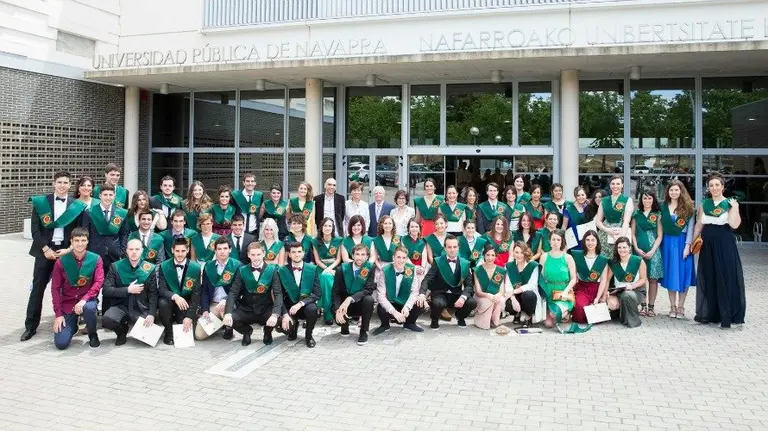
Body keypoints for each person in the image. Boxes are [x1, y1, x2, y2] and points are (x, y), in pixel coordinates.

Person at [24, 169, 82, 340]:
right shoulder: (42, 203)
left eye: (66, 182)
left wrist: (70, 249)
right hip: (44, 252)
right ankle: (30, 326)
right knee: (38, 289)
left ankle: (69, 323)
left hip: (65, 252)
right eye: (60, 182)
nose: (62, 185)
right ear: (53, 183)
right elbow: (35, 229)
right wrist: (45, 249)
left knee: (69, 290)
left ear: (70, 185)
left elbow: (79, 231)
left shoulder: (75, 205)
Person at [693, 173, 746, 328]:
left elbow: (734, 225)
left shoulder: (730, 203)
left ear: (723, 187)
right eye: (711, 185)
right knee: (709, 276)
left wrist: (735, 208)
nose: (714, 188)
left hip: (724, 244)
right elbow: (699, 224)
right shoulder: (704, 203)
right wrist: (690, 243)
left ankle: (728, 314)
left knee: (726, 276)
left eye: (717, 185)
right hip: (707, 245)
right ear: (708, 188)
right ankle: (711, 313)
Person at [50, 227, 104, 349]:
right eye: (77, 240)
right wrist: (58, 315)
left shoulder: (96, 259)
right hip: (67, 303)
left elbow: (98, 282)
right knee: (61, 344)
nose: (80, 244)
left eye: (83, 240)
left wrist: (84, 299)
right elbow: (55, 289)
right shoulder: (61, 262)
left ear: (87, 241)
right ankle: (73, 325)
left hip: (86, 301)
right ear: (71, 242)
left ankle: (92, 334)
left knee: (90, 308)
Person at [80, 183, 129, 313]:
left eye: (110, 195)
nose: (108, 197)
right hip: (95, 253)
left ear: (114, 196)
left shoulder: (121, 213)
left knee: (110, 285)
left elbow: (124, 233)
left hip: (114, 254)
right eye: (105, 195)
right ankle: (90, 314)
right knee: (93, 284)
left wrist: (122, 250)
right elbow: (85, 233)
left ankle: (107, 314)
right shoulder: (90, 212)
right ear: (100, 196)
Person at [101, 239, 159, 346]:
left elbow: (153, 294)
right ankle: (122, 331)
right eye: (131, 249)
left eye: (137, 249)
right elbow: (106, 290)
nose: (134, 252)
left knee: (146, 338)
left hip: (141, 307)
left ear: (142, 251)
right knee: (107, 319)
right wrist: (128, 290)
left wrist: (151, 314)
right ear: (126, 251)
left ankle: (140, 323)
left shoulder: (150, 268)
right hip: (121, 305)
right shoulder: (115, 267)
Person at [224, 242, 282, 346]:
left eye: (258, 254)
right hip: (247, 308)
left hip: (265, 308)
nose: (256, 258)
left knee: (278, 318)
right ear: (248, 255)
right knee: (231, 319)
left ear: (263, 254)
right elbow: (233, 292)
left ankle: (268, 332)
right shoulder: (242, 270)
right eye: (253, 255)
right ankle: (247, 332)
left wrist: (274, 314)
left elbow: (278, 293)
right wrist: (227, 312)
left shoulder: (272, 270)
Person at [416, 235, 476, 330]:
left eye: (454, 247)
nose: (452, 250)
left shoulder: (465, 263)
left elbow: (469, 285)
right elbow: (427, 279)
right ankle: (434, 319)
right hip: (440, 293)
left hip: (456, 294)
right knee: (438, 304)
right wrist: (422, 294)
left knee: (472, 302)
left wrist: (463, 298)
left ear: (458, 248)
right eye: (449, 247)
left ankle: (460, 317)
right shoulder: (438, 261)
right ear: (445, 248)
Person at [659, 179, 696, 319]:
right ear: (668, 192)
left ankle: (681, 306)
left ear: (681, 191)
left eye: (676, 189)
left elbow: (691, 229)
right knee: (671, 275)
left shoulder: (688, 208)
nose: (674, 192)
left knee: (683, 275)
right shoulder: (663, 207)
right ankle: (672, 306)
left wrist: (687, 246)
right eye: (671, 190)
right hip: (668, 244)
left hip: (682, 243)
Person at [157, 238, 201, 345]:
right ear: (172, 250)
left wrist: (189, 317)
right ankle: (168, 331)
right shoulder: (164, 266)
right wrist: (175, 297)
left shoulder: (195, 268)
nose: (180, 254)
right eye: (177, 251)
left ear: (187, 250)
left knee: (184, 326)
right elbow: (162, 289)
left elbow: (196, 295)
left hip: (186, 303)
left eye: (183, 251)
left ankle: (180, 320)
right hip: (171, 300)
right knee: (162, 303)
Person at [277, 241, 321, 347]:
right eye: (294, 252)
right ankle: (293, 326)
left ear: (303, 253)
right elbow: (279, 295)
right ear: (289, 254)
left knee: (312, 309)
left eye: (299, 251)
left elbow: (317, 293)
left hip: (305, 305)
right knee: (282, 328)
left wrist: (301, 303)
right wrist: (284, 314)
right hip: (289, 306)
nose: (297, 254)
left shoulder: (312, 269)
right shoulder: (282, 271)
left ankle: (309, 335)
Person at [372, 246, 425, 335]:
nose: (401, 260)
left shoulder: (412, 269)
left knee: (419, 304)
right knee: (381, 308)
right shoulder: (385, 270)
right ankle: (385, 325)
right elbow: (381, 296)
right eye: (398, 257)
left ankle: (410, 323)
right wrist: (394, 312)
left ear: (407, 258)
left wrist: (407, 307)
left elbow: (414, 292)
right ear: (393, 257)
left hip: (404, 302)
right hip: (391, 302)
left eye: (404, 258)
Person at [196, 237, 240, 340]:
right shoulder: (208, 266)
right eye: (219, 249)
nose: (222, 251)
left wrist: (226, 300)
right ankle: (220, 323)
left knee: (226, 309)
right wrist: (205, 310)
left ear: (230, 250)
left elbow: (238, 290)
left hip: (231, 303)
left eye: (225, 248)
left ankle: (229, 327)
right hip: (214, 305)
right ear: (215, 250)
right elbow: (205, 291)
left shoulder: (237, 266)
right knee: (199, 335)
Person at [333, 243, 377, 346]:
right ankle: (344, 325)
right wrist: (337, 310)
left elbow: (368, 289)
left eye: (363, 255)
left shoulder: (370, 268)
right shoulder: (341, 269)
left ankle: (363, 332)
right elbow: (335, 292)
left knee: (369, 300)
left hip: (359, 304)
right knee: (338, 318)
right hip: (344, 305)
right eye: (357, 254)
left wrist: (351, 298)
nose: (359, 257)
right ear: (352, 256)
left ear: (367, 257)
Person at [631, 189, 663, 317]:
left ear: (654, 200)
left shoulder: (658, 214)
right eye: (645, 198)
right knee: (641, 278)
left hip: (653, 251)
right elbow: (632, 233)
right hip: (639, 250)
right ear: (641, 200)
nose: (647, 201)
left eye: (650, 198)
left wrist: (652, 251)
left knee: (653, 279)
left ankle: (651, 307)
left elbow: (660, 235)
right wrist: (636, 248)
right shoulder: (636, 214)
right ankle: (643, 305)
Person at [539, 230, 579, 330]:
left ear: (562, 242)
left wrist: (565, 292)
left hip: (563, 292)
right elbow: (541, 277)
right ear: (549, 241)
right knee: (548, 324)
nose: (555, 242)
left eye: (558, 239)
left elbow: (574, 279)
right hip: (549, 291)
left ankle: (567, 313)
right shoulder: (544, 257)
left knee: (554, 314)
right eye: (553, 239)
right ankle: (557, 314)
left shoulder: (568, 257)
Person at [603, 237, 647, 328]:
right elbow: (607, 280)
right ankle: (619, 312)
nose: (622, 250)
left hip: (636, 291)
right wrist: (604, 295)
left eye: (624, 247)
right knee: (612, 305)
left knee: (627, 295)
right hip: (619, 291)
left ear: (629, 248)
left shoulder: (638, 260)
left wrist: (633, 285)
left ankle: (630, 321)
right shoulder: (613, 262)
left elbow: (643, 279)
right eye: (619, 247)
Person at [570, 231, 609, 324]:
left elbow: (603, 280)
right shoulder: (577, 256)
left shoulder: (602, 259)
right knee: (579, 311)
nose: (590, 243)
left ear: (597, 242)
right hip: (582, 288)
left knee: (597, 314)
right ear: (584, 241)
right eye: (587, 240)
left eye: (593, 240)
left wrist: (598, 298)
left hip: (596, 288)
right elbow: (574, 276)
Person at [312, 217, 343, 326]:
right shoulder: (315, 241)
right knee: (325, 278)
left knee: (328, 279)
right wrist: (326, 268)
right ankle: (329, 313)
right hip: (321, 268)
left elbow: (338, 259)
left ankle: (328, 311)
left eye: (330, 226)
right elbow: (317, 260)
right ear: (321, 227)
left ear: (333, 228)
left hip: (334, 267)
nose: (327, 228)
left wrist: (330, 268)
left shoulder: (338, 240)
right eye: (325, 225)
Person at [505, 241, 544, 325]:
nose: (519, 255)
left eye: (522, 252)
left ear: (526, 252)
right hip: (515, 295)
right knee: (508, 302)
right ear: (513, 253)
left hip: (528, 295)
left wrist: (514, 291)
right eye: (516, 252)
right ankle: (517, 314)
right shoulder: (509, 266)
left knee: (528, 295)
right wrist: (513, 298)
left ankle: (528, 316)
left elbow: (532, 285)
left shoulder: (533, 265)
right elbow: (508, 286)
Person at [595, 176, 633, 259]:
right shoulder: (604, 200)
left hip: (621, 232)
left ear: (622, 185)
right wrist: (607, 230)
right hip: (605, 235)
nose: (615, 186)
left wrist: (621, 238)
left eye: (618, 184)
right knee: (605, 262)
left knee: (621, 260)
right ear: (610, 185)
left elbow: (626, 221)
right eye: (613, 184)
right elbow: (598, 221)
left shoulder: (627, 200)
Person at [473, 244, 506, 329]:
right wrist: (488, 295)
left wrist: (498, 295)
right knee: (489, 301)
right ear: (484, 255)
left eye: (492, 255)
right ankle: (482, 321)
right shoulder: (477, 270)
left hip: (495, 296)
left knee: (500, 300)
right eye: (487, 255)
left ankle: (494, 321)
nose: (490, 258)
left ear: (496, 256)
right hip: (482, 296)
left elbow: (502, 290)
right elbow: (478, 292)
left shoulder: (500, 270)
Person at [562, 186, 589, 251]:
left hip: (586, 239)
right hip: (572, 239)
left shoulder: (588, 208)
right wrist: (562, 240)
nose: (581, 197)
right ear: (575, 196)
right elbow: (564, 226)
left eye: (583, 195)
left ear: (586, 195)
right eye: (578, 195)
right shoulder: (568, 209)